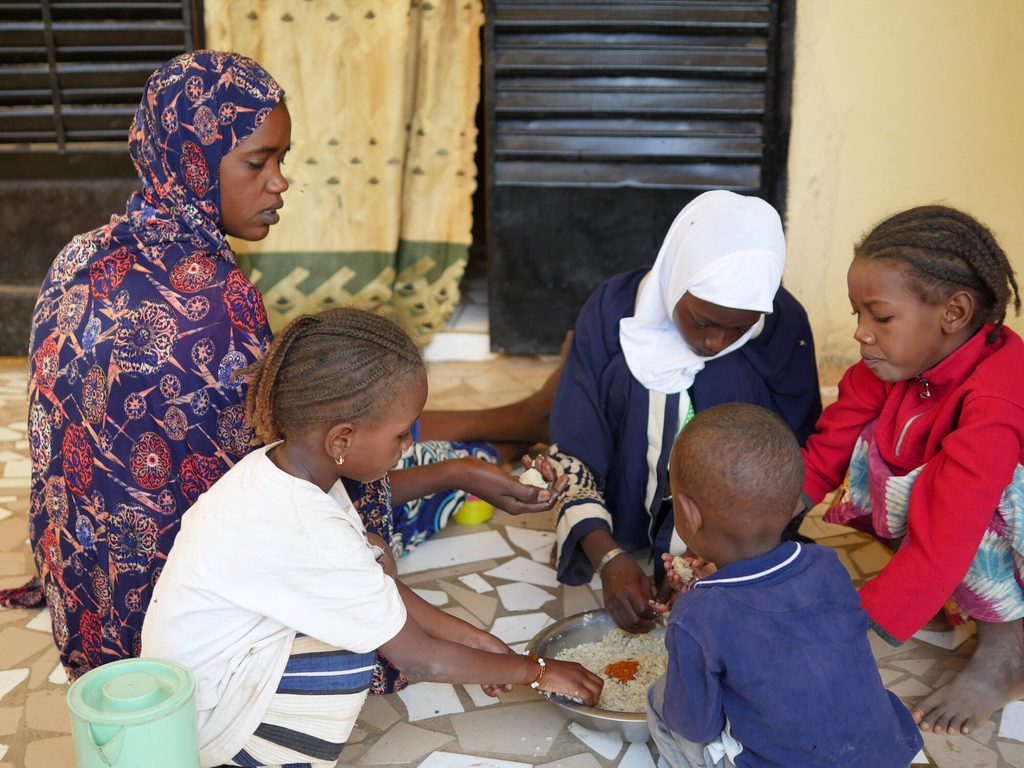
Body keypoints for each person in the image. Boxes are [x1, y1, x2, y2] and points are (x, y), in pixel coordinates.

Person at [3, 50, 560, 681]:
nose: (278, 182)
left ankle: (505, 427)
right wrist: (446, 482)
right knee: (377, 486)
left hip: (86, 598)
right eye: (256, 161)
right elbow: (303, 481)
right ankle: (510, 424)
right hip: (183, 626)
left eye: (281, 160)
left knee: (379, 430)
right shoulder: (214, 303)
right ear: (193, 159)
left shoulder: (80, 256)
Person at [141, 307, 603, 768]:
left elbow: (374, 587)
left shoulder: (280, 471)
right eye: (402, 434)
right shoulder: (306, 526)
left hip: (198, 691)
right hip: (207, 730)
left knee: (372, 567)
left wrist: (482, 645)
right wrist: (536, 671)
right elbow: (421, 659)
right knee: (350, 656)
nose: (407, 447)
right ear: (341, 441)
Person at [548, 190, 822, 632]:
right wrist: (608, 555)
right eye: (701, 320)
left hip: (731, 535)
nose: (716, 342)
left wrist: (711, 559)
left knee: (737, 389)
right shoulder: (613, 309)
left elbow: (795, 453)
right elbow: (575, 443)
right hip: (623, 515)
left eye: (740, 327)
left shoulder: (783, 324)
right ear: (676, 280)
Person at [801, 205, 1024, 736]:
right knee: (873, 448)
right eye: (857, 315)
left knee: (967, 508)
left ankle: (1006, 655)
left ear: (954, 312)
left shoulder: (995, 401)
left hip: (1001, 521)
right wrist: (759, 525)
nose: (861, 334)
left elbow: (948, 534)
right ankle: (934, 594)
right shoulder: (898, 363)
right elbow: (828, 445)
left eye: (880, 316)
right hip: (955, 514)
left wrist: (856, 626)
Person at [646, 403, 922, 768]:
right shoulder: (827, 564)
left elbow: (696, 726)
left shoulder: (697, 616)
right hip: (882, 755)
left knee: (659, 697)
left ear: (689, 514)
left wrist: (695, 605)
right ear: (794, 503)